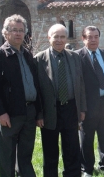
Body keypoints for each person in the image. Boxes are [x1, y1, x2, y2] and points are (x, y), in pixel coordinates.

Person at [0, 14, 42, 177]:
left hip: (29, 113)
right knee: (8, 156)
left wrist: (38, 112)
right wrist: (1, 112)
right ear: (5, 32)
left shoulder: (28, 55)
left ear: (25, 33)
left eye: (21, 30)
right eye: (14, 30)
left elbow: (35, 84)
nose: (18, 33)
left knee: (25, 154)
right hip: (10, 114)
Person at [34, 23, 87, 177]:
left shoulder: (74, 57)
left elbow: (81, 84)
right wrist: (39, 114)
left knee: (72, 148)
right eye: (55, 36)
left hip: (70, 108)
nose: (59, 40)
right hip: (49, 110)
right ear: (49, 38)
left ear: (66, 38)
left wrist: (82, 108)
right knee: (50, 151)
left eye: (62, 36)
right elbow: (36, 90)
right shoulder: (39, 59)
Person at [76, 26, 104, 176]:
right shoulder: (77, 57)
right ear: (83, 39)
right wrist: (80, 108)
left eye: (96, 36)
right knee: (86, 139)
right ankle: (87, 169)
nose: (93, 40)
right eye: (89, 37)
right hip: (88, 106)